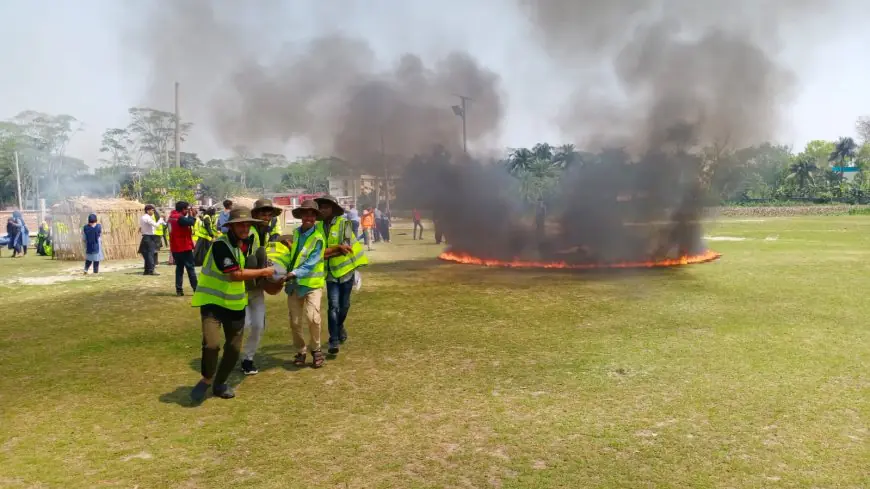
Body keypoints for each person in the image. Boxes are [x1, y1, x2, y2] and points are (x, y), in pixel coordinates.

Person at [190, 207, 275, 402]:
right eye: (240, 224)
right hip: (212, 304)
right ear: (232, 227)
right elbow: (235, 275)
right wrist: (264, 272)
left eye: (247, 224)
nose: (245, 228)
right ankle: (206, 379)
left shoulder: (246, 244)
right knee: (211, 345)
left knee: (234, 349)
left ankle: (219, 383)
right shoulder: (221, 245)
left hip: (236, 305)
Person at [264, 200, 326, 368]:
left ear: (315, 218)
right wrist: (275, 265)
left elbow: (311, 263)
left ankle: (317, 349)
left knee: (313, 318)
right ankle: (301, 350)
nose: (309, 217)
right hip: (294, 285)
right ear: (300, 216)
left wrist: (292, 273)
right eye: (306, 214)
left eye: (312, 215)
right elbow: (293, 257)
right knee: (295, 321)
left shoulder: (318, 238)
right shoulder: (297, 233)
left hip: (312, 284)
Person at [316, 195, 369, 356]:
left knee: (344, 305)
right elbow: (315, 249)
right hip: (330, 274)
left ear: (333, 209)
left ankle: (339, 327)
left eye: (327, 207)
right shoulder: (316, 227)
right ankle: (334, 340)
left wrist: (323, 254)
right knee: (333, 306)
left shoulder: (344, 224)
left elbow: (346, 247)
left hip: (346, 271)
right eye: (321, 207)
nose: (323, 210)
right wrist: (331, 251)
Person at [239, 198, 283, 375]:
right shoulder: (246, 232)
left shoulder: (268, 233)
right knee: (244, 324)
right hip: (241, 286)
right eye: (262, 212)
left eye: (269, 213)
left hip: (257, 286)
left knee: (258, 325)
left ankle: (247, 359)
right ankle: (233, 353)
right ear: (255, 214)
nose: (266, 216)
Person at [169, 201, 199, 297]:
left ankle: (179, 290)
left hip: (175, 248)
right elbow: (191, 222)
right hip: (184, 247)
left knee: (179, 269)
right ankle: (196, 289)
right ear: (183, 209)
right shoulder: (179, 218)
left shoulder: (171, 217)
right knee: (190, 269)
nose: (187, 211)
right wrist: (192, 215)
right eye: (186, 209)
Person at [139, 204, 164, 275]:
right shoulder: (147, 218)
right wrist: (161, 219)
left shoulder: (144, 217)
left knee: (147, 254)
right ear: (148, 210)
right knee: (150, 254)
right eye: (152, 210)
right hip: (149, 237)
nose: (153, 211)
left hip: (147, 237)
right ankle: (151, 270)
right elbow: (156, 225)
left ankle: (147, 270)